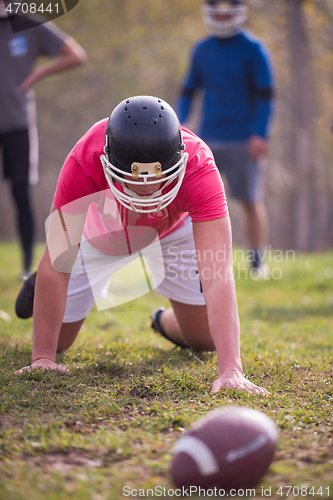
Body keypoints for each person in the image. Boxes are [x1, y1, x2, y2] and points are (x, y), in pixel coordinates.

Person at [15, 95, 269, 396]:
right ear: (108, 159)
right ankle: (41, 292)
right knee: (58, 343)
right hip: (101, 233)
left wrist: (231, 370)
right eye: (134, 179)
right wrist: (42, 357)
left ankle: (161, 320)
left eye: (158, 178)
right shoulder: (85, 158)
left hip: (172, 231)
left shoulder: (200, 166)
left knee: (204, 340)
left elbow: (217, 274)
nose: (147, 190)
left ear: (179, 158)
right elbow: (57, 263)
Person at [178, 0, 275, 274]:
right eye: (216, 13)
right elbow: (188, 91)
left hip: (243, 139)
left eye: (226, 12)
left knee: (249, 199)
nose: (221, 17)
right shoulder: (202, 49)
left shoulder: (253, 50)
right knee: (194, 199)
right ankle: (198, 260)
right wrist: (180, 121)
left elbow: (266, 95)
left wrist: (260, 133)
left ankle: (257, 262)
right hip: (207, 138)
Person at [0, 0, 87, 278]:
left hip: (18, 124)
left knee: (21, 193)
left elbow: (76, 55)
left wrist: (36, 73)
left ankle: (26, 267)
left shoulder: (25, 23)